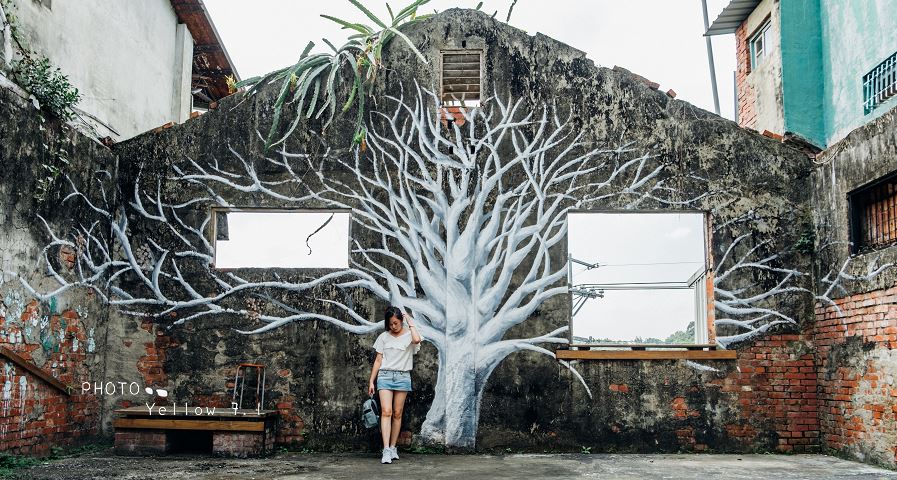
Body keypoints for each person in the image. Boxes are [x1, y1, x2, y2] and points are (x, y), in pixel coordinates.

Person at [368, 305, 423, 464]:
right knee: (386, 411)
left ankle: (393, 447)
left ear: (401, 321)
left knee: (398, 413)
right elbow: (378, 360)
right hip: (385, 375)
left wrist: (410, 321)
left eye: (396, 323)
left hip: (403, 376)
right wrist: (372, 381)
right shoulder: (384, 337)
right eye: (390, 324)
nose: (393, 326)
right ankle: (385, 449)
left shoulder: (409, 335)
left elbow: (417, 339)